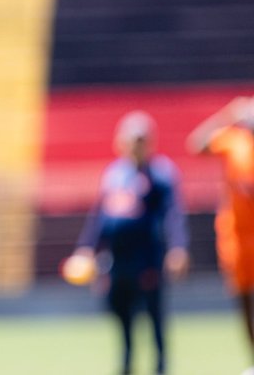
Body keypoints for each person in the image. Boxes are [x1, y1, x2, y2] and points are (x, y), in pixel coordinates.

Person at [69, 110, 189, 375]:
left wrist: (178, 246)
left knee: (154, 316)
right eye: (133, 139)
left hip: (147, 259)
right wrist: (87, 248)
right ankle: (126, 365)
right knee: (121, 316)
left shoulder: (160, 174)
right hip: (118, 262)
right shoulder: (114, 174)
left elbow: (173, 214)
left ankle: (160, 365)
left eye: (142, 139)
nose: (137, 144)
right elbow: (100, 217)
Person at [187, 96, 254, 375]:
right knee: (244, 300)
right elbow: (196, 144)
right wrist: (227, 115)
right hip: (237, 236)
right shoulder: (234, 138)